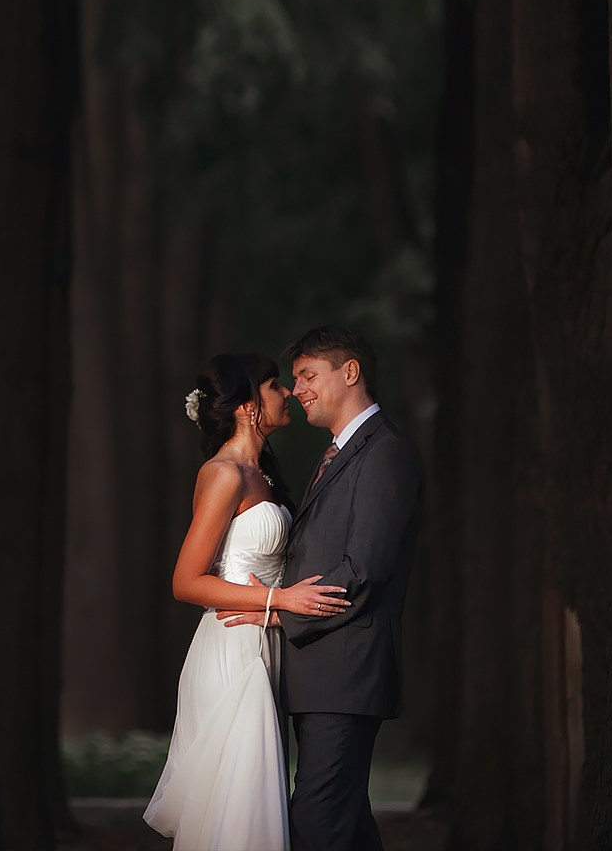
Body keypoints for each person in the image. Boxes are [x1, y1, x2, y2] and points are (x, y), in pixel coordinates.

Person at [225, 326, 423, 851]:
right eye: (294, 380)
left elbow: (364, 568)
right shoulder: (338, 453)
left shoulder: (385, 453)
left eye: (308, 375)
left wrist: (278, 612)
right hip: (319, 673)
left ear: (350, 372)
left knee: (315, 822)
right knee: (345, 824)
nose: (298, 389)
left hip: (346, 671)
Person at [143, 354, 348, 851]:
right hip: (233, 652)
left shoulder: (264, 475)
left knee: (254, 802)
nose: (286, 394)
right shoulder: (224, 474)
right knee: (240, 810)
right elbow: (186, 581)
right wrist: (281, 599)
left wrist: (274, 610)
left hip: (263, 641)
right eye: (274, 385)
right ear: (245, 406)